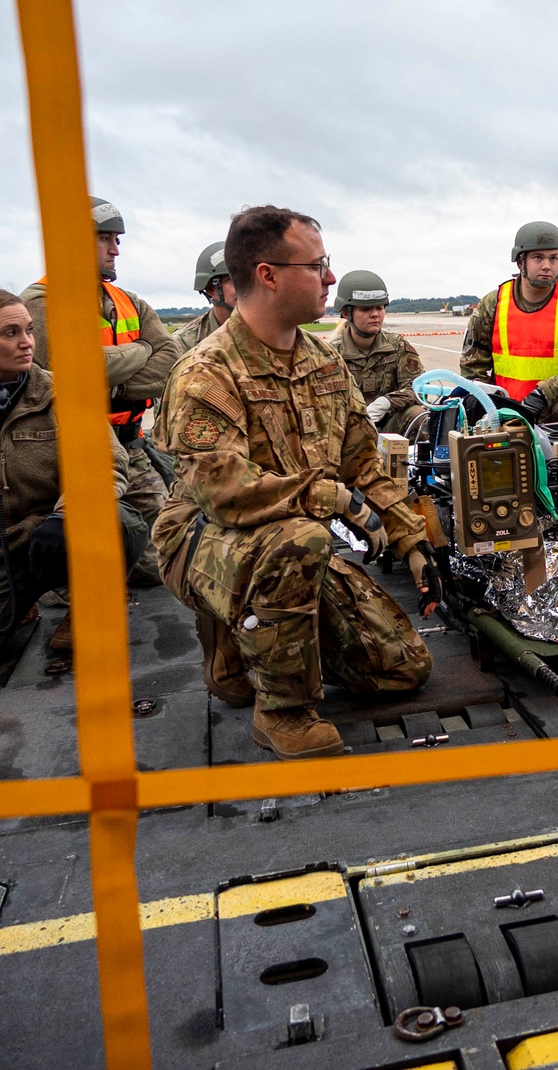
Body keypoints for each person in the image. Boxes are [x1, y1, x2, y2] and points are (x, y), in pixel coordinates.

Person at [152, 205, 441, 761]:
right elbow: (224, 491)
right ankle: (281, 713)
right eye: (319, 266)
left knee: (402, 669)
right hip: (202, 538)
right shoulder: (206, 372)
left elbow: (364, 463)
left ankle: (247, 642)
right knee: (301, 539)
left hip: (289, 544)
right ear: (268, 275)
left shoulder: (325, 365)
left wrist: (414, 544)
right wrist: (329, 498)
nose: (331, 279)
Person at [21, 197, 181, 589]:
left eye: (117, 239)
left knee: (164, 562)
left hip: (131, 448)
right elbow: (68, 368)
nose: (116, 249)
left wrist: (112, 381)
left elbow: (171, 360)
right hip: (75, 453)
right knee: (77, 570)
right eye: (106, 238)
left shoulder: (130, 301)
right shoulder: (39, 305)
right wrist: (142, 350)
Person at [0, 291, 148, 670]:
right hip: (5, 545)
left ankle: (86, 609)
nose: (27, 342)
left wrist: (66, 514)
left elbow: (107, 464)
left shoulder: (61, 391)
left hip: (49, 534)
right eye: (10, 333)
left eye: (29, 330)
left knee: (121, 522)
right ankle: (20, 602)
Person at [460, 221, 558, 430]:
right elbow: (472, 366)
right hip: (509, 408)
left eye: (554, 258)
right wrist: (489, 407)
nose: (547, 266)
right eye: (538, 258)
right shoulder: (493, 304)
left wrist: (546, 393)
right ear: (520, 262)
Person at [329, 271, 426, 436]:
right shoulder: (331, 354)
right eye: (365, 309)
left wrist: (386, 402)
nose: (375, 314)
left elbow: (418, 388)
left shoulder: (397, 346)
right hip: (347, 431)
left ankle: (407, 460)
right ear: (346, 313)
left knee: (418, 415)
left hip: (389, 427)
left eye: (379, 308)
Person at [174, 241, 238, 353]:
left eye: (249, 279)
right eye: (232, 280)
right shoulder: (184, 343)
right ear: (210, 289)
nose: (245, 287)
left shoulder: (272, 331)